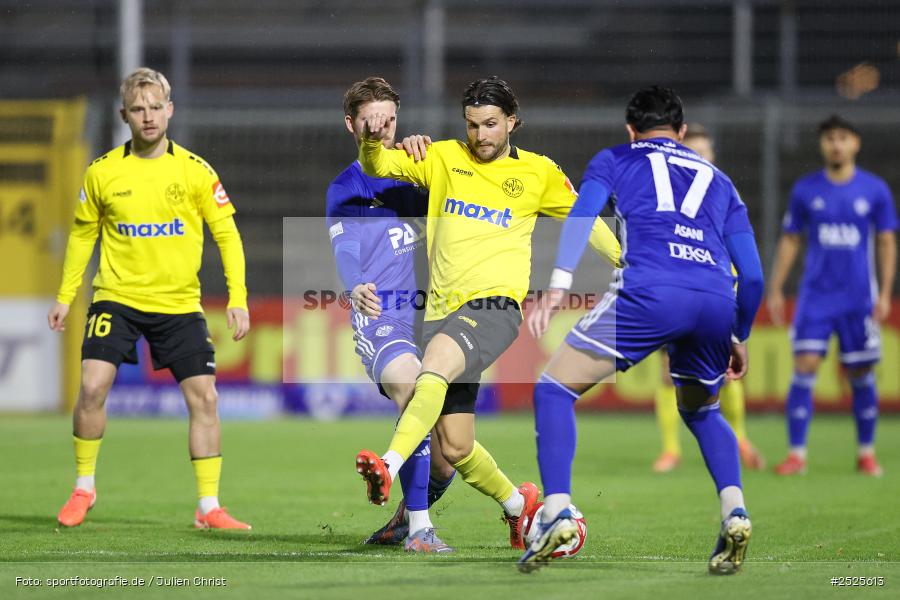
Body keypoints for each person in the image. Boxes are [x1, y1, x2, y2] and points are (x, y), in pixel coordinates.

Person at [353, 76, 621, 549]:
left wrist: (625, 263)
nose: (481, 136)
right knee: (455, 445)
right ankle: (520, 507)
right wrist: (372, 141)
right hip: (441, 312)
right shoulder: (440, 157)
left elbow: (585, 219)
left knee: (432, 367)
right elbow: (377, 167)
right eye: (473, 125)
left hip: (495, 308)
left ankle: (389, 465)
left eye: (491, 124)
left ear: (513, 121)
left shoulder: (537, 173)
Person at [519, 86, 763, 574]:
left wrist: (557, 286)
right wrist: (739, 333)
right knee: (701, 412)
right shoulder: (720, 180)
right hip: (715, 298)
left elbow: (581, 214)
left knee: (553, 390)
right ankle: (734, 510)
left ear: (631, 129)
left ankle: (557, 510)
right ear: (683, 132)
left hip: (650, 290)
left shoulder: (615, 158)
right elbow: (752, 275)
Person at [48, 68, 251, 529]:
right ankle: (84, 488)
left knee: (205, 398)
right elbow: (82, 236)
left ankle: (208, 508)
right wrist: (66, 296)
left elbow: (228, 237)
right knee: (93, 386)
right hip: (115, 297)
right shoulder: (102, 172)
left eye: (156, 107)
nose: (148, 116)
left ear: (170, 110)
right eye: (138, 109)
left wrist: (237, 297)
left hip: (178, 304)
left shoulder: (195, 171)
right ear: (124, 115)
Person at [326, 77, 456, 552]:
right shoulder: (346, 186)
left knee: (448, 459)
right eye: (370, 120)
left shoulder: (415, 170)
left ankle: (405, 516)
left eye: (390, 119)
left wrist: (434, 156)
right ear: (351, 124)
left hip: (435, 320)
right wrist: (354, 284)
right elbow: (346, 249)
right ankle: (422, 530)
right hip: (382, 316)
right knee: (413, 386)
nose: (381, 129)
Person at [769, 115, 897, 477]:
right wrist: (777, 287)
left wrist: (885, 292)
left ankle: (866, 453)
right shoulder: (806, 190)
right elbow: (791, 238)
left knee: (859, 371)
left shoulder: (874, 190)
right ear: (822, 145)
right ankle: (797, 454)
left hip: (859, 298)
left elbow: (887, 241)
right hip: (816, 297)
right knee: (805, 366)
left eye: (842, 138)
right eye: (829, 138)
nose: (836, 144)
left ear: (855, 143)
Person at [652, 124, 765, 473]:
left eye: (704, 153)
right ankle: (671, 450)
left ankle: (740, 438)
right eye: (692, 152)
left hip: (716, 294)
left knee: (723, 372)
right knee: (668, 373)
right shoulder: (665, 199)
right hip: (673, 293)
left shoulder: (724, 198)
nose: (698, 159)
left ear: (713, 157)